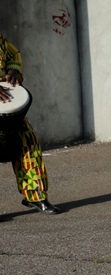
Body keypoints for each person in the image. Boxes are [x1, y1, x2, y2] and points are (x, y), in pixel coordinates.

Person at [1, 34, 61, 213]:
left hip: (4, 100)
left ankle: (35, 195)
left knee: (29, 143)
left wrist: (14, 70)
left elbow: (12, 54)